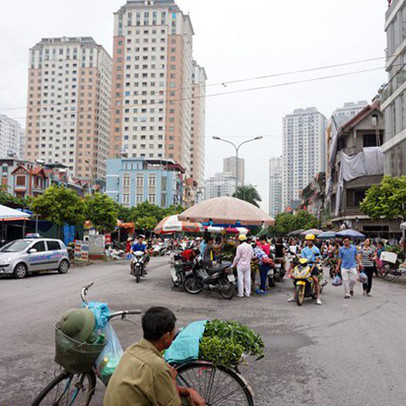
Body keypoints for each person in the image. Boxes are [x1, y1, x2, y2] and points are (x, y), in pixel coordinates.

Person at [104, 307, 205, 406]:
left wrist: (188, 391)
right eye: (174, 330)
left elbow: (154, 388)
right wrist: (173, 380)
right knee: (186, 403)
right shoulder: (156, 366)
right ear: (166, 336)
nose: (175, 333)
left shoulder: (132, 349)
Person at [295, 234, 322, 305]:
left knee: (315, 280)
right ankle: (295, 295)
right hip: (304, 266)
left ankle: (318, 298)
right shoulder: (304, 250)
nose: (307, 241)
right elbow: (302, 259)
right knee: (296, 278)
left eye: (309, 240)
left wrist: (311, 269)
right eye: (306, 240)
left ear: (312, 241)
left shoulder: (316, 250)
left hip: (313, 266)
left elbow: (316, 260)